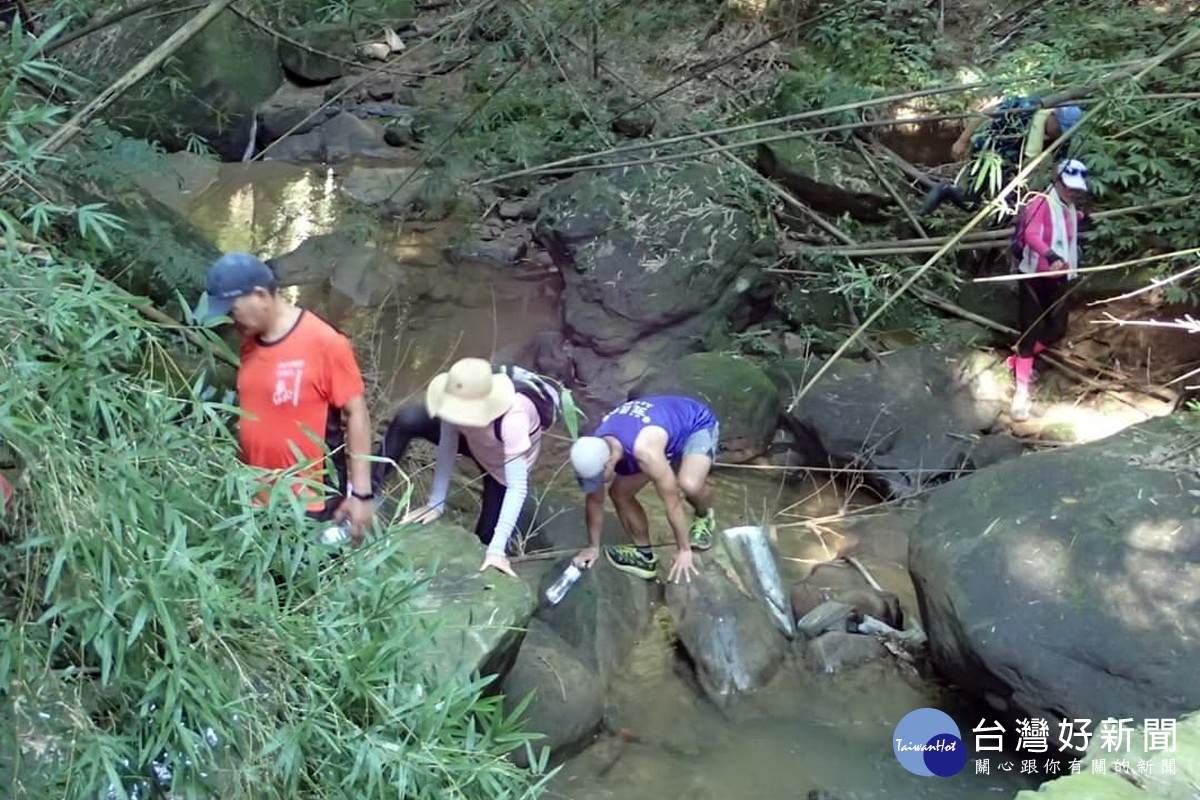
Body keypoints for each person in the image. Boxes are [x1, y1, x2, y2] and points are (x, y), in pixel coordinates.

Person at [201, 252, 375, 543]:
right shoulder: (249, 343)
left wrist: (361, 493)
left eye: (232, 310)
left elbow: (356, 413)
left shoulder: (324, 343)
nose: (229, 320)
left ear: (260, 295)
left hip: (309, 502)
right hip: (256, 498)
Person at [390, 358, 543, 577]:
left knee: (485, 540)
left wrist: (497, 550)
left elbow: (517, 486)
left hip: (502, 469)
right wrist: (436, 503)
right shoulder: (454, 401)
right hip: (477, 444)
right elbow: (448, 445)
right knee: (408, 418)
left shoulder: (513, 419)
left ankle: (500, 545)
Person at [567, 395, 719, 584]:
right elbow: (594, 499)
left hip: (695, 422)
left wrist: (684, 550)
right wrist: (593, 547)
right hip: (655, 429)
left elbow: (671, 501)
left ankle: (704, 516)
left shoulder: (645, 452)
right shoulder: (594, 450)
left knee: (688, 484)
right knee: (619, 494)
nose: (597, 483)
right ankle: (643, 555)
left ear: (609, 464)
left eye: (598, 478)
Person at [1007, 159, 1090, 421]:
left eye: (1076, 189)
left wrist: (1085, 219)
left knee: (1057, 328)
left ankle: (1015, 362)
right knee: (1030, 331)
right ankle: (1021, 393)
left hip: (1059, 277)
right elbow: (1032, 234)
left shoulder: (1068, 207)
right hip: (1035, 275)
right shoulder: (1041, 202)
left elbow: (1072, 219)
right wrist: (1051, 254)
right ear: (1057, 181)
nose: (1072, 192)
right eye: (1068, 187)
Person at [922, 96, 1084, 215]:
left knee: (1007, 206)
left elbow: (1057, 167)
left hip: (1013, 169)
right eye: (1059, 129)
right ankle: (942, 192)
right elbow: (986, 114)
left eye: (1063, 132)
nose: (1059, 134)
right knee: (970, 202)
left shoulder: (1061, 139)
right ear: (1053, 116)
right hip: (990, 155)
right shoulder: (1026, 108)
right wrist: (963, 140)